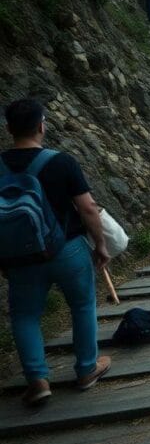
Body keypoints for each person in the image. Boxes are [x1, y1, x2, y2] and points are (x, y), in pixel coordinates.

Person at [2, 99, 113, 407]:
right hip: (67, 249)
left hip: (20, 257)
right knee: (81, 305)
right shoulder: (61, 162)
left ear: (9, 129)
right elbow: (87, 208)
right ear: (42, 125)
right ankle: (87, 369)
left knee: (25, 315)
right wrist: (101, 245)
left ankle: (37, 380)